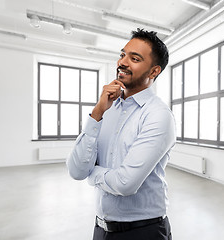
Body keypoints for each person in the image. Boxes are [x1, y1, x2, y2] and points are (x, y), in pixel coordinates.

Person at [66, 28, 176, 240]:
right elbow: (76, 170)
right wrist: (97, 112)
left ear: (154, 71)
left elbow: (125, 184)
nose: (122, 62)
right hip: (101, 228)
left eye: (134, 58)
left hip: (144, 232)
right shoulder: (107, 108)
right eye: (122, 55)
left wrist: (93, 174)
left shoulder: (158, 115)